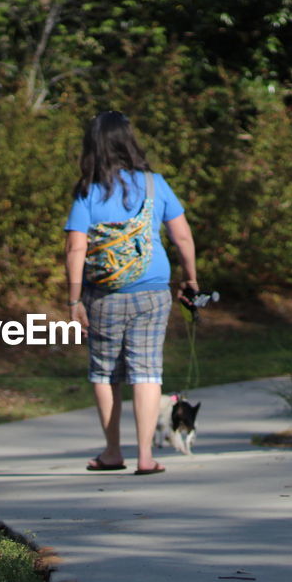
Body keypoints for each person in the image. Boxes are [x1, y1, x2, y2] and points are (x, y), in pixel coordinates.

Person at [64, 111, 198, 475]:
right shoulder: (155, 184)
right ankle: (145, 457)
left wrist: (74, 299)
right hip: (153, 291)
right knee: (147, 370)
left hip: (103, 293)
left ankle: (112, 452)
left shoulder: (87, 190)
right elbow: (182, 236)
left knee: (105, 373)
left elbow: (76, 248)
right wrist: (191, 279)